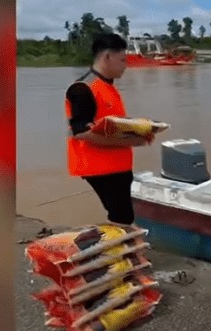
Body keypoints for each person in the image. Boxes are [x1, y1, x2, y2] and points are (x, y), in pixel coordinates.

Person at [64, 33, 151, 226]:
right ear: (107, 57)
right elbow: (81, 132)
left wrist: (139, 132)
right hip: (98, 165)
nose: (125, 65)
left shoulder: (108, 88)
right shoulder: (82, 88)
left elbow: (110, 124)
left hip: (116, 162)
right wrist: (131, 141)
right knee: (122, 215)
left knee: (122, 214)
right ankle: (115, 251)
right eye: (122, 60)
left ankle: (118, 250)